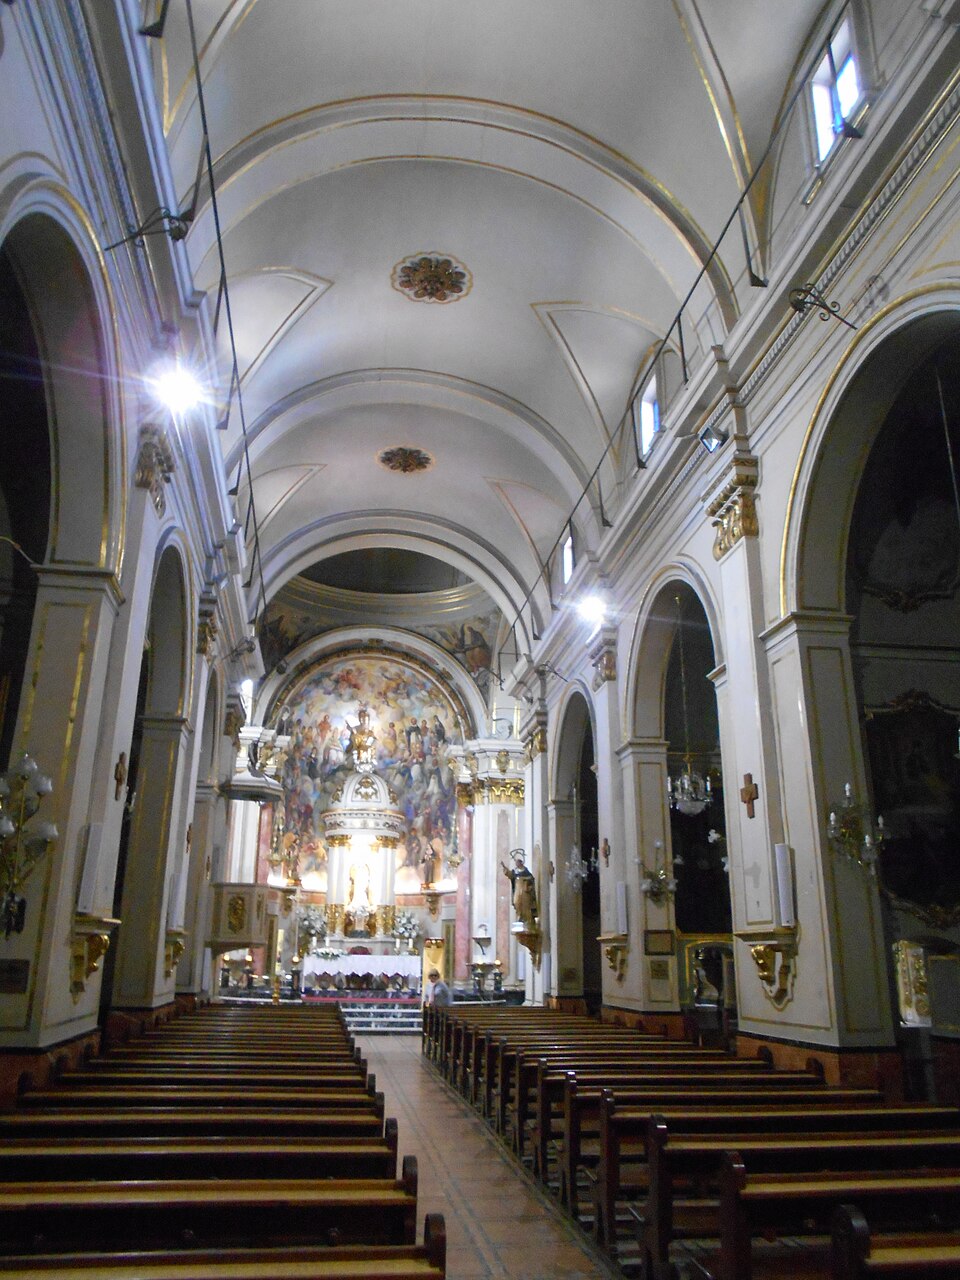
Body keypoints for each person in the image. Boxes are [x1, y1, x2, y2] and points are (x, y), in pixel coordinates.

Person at [501, 849, 538, 929]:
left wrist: (528, 887)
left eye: (518, 862)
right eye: (516, 862)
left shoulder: (526, 872)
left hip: (525, 892)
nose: (516, 863)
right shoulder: (515, 871)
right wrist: (505, 869)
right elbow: (510, 875)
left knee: (526, 906)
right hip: (517, 891)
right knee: (517, 903)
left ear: (521, 862)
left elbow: (531, 880)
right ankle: (520, 917)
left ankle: (527, 921)